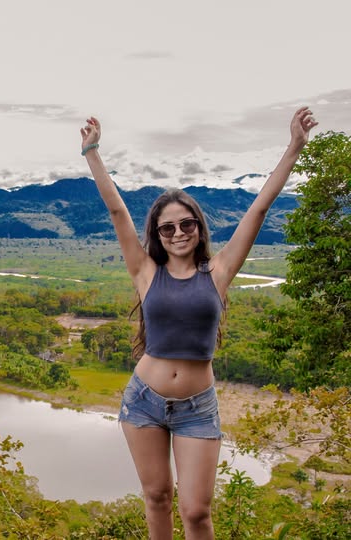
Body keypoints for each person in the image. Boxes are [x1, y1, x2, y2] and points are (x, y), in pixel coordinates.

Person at [79, 107, 318, 540]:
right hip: (143, 401)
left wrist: (294, 147)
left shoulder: (219, 272)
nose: (177, 233)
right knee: (156, 497)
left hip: (197, 408)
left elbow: (259, 209)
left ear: (199, 227)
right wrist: (92, 152)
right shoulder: (145, 272)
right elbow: (117, 212)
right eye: (167, 228)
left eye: (186, 224)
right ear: (157, 234)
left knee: (196, 512)